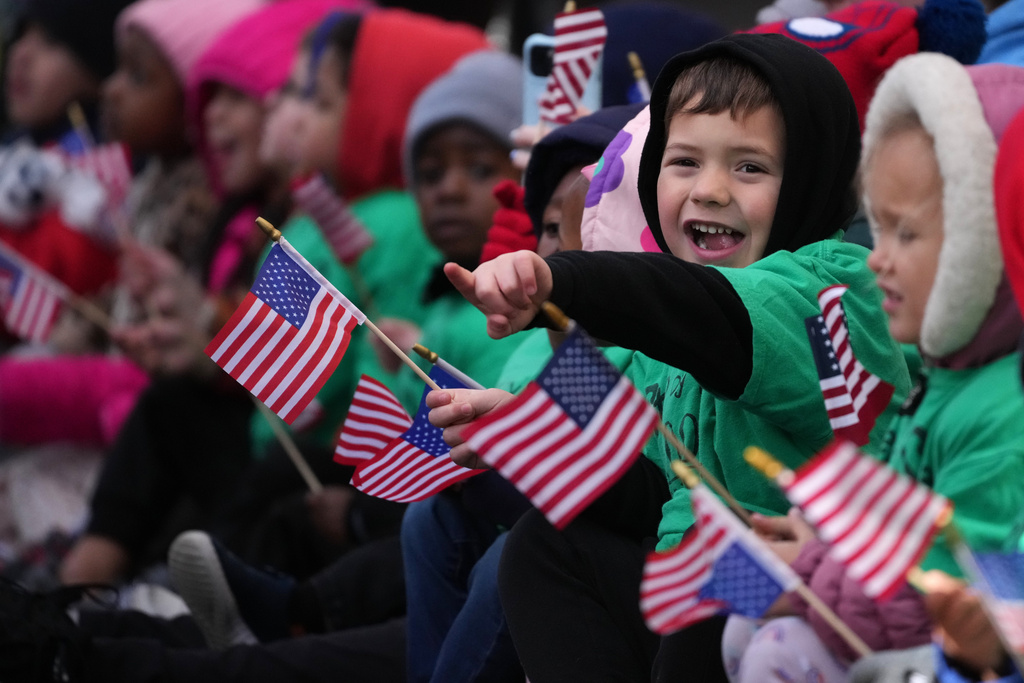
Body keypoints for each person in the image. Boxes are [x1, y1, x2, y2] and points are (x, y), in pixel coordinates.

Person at [428, 33, 911, 681]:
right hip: (697, 592)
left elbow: (714, 311)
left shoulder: (835, 288)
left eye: (749, 167)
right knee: (544, 547)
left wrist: (561, 280)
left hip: (823, 609)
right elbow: (654, 494)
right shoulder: (679, 328)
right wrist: (529, 430)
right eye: (684, 162)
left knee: (715, 587)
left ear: (811, 180)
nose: (709, 190)